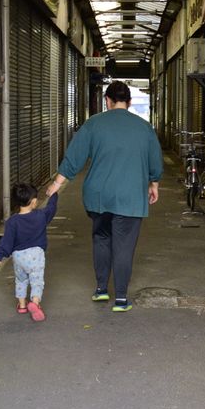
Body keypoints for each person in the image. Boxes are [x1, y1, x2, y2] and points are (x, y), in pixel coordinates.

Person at [45, 81, 163, 312]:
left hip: (98, 196)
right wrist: (154, 184)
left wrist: (56, 184)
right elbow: (154, 161)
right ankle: (120, 298)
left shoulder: (93, 124)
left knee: (101, 239)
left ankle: (101, 289)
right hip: (129, 197)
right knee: (124, 246)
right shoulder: (143, 128)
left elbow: (74, 157)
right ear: (128, 102)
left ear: (107, 101)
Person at [0, 183, 59, 322]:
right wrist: (53, 194)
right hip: (36, 255)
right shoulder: (40, 216)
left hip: (19, 256)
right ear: (34, 202)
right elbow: (51, 209)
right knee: (37, 281)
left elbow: (7, 240)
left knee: (21, 279)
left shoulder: (12, 221)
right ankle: (35, 303)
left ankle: (22, 305)